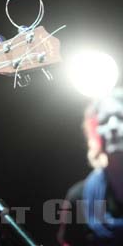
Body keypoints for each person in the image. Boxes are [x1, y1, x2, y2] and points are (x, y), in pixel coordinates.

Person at [58, 88, 123, 245]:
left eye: (121, 117)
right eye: (104, 121)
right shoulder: (79, 196)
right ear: (94, 131)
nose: (113, 126)